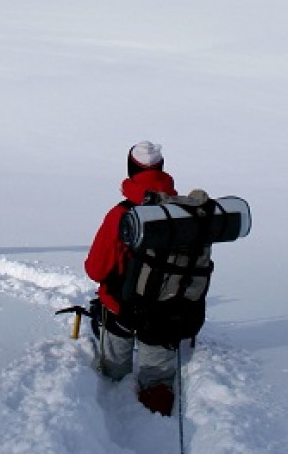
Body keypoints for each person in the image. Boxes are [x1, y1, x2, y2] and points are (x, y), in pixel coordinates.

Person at [84, 140, 182, 416]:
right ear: (162, 168)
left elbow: (95, 269)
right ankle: (156, 412)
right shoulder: (182, 213)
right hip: (167, 310)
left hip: (121, 309)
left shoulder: (120, 215)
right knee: (159, 381)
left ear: (131, 170)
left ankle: (112, 408)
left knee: (113, 372)